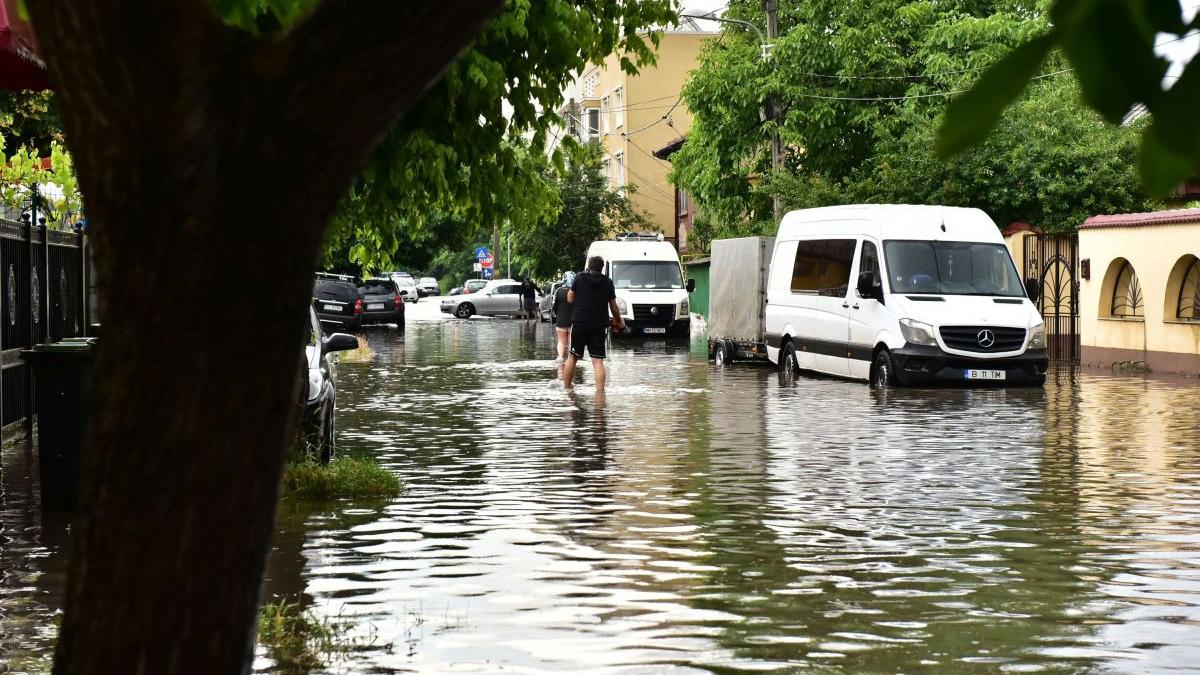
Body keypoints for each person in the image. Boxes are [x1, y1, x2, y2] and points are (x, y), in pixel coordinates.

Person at [562, 256, 624, 391]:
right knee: (598, 361)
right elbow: (614, 308)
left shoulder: (579, 278)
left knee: (572, 357)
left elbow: (570, 299)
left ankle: (566, 390)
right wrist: (619, 322)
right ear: (602, 268)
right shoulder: (607, 282)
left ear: (589, 266)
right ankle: (600, 395)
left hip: (580, 322)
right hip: (598, 325)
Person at [552, 271, 576, 362]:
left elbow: (554, 306)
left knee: (561, 341)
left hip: (561, 320)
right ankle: (571, 359)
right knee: (571, 341)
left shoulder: (558, 291)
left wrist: (557, 315)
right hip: (574, 320)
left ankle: (561, 357)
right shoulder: (576, 291)